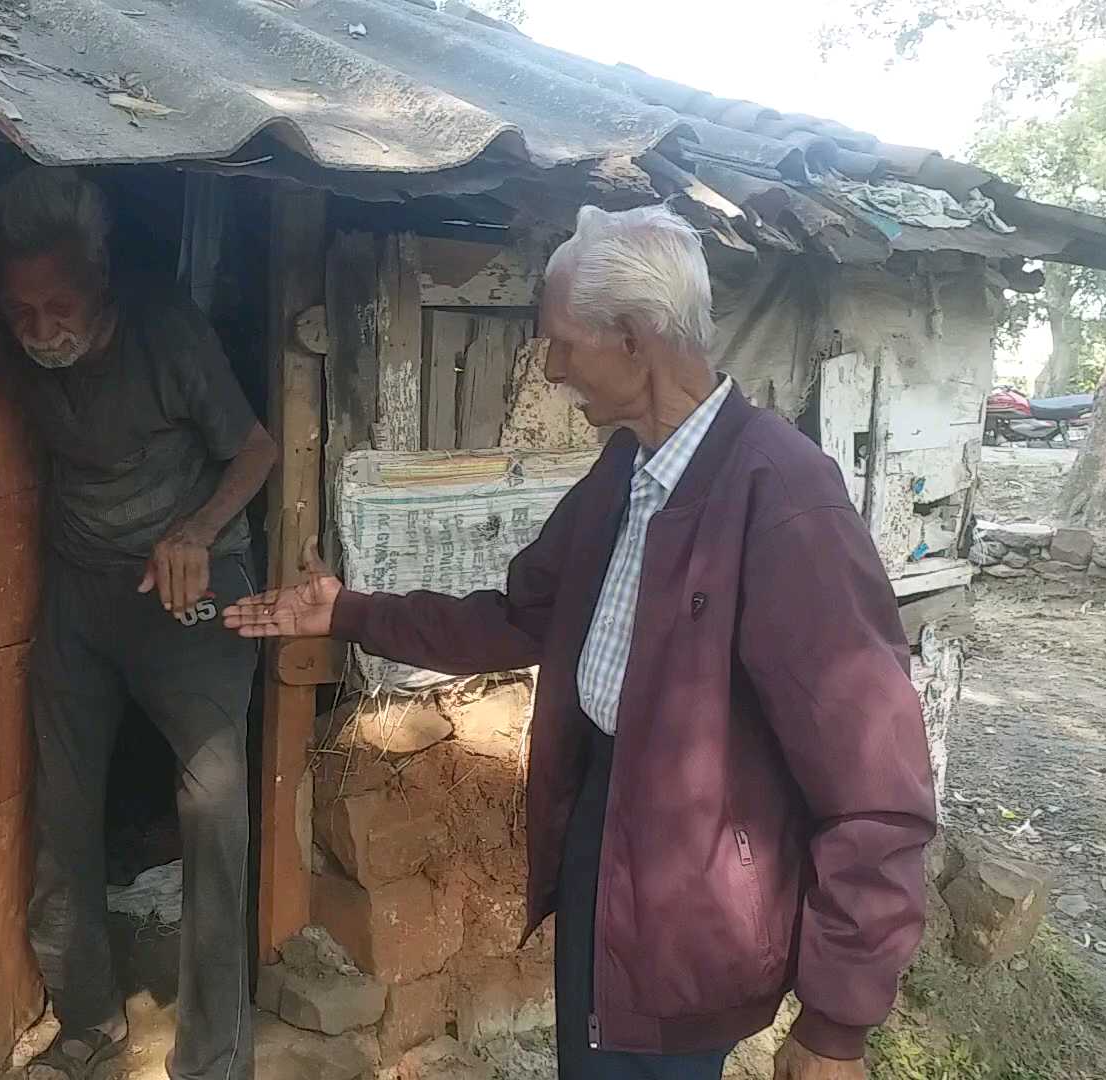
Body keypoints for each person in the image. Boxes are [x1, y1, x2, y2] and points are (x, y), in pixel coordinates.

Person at [226, 205, 937, 1080]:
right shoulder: (627, 469)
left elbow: (877, 787)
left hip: (696, 887)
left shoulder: (785, 501)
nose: (552, 368)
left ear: (635, 340)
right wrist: (349, 612)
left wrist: (836, 1025)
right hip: (607, 826)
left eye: (563, 342)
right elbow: (519, 616)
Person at [0, 167, 276, 1080]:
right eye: (21, 311)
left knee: (214, 806)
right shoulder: (22, 343)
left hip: (188, 584)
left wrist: (196, 528)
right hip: (82, 589)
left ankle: (213, 1057)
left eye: (57, 305)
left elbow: (258, 446)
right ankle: (88, 1021)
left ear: (101, 274)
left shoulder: (167, 331)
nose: (39, 330)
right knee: (64, 807)